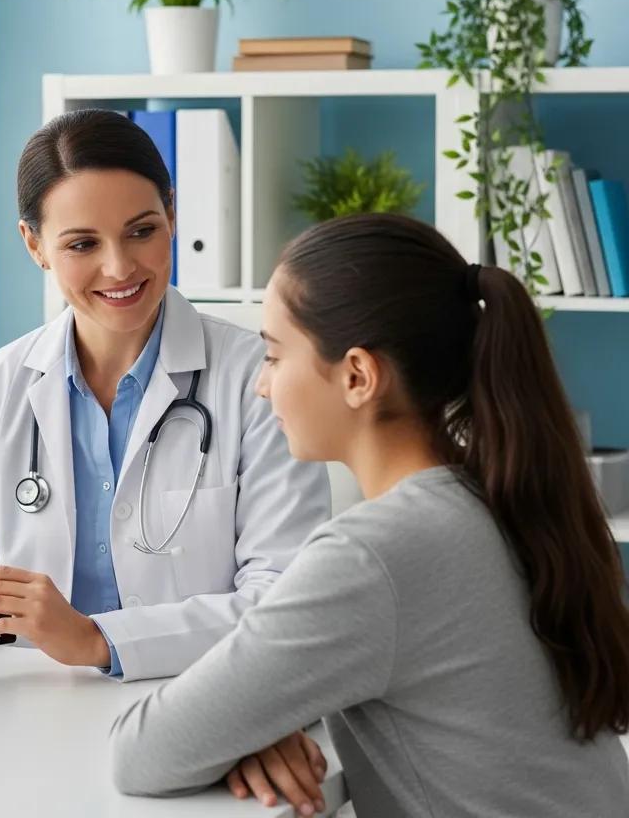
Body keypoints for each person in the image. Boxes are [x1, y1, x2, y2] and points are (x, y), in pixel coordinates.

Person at [0, 109, 329, 685]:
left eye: (142, 230)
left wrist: (94, 640)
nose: (119, 266)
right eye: (82, 243)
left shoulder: (256, 378)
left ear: (172, 213)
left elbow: (284, 602)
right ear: (35, 245)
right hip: (35, 712)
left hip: (201, 696)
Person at [110, 213, 629, 816]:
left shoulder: (376, 553)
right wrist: (260, 714)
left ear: (357, 376)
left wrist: (250, 719)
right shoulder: (486, 495)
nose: (260, 385)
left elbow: (142, 753)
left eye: (275, 356)